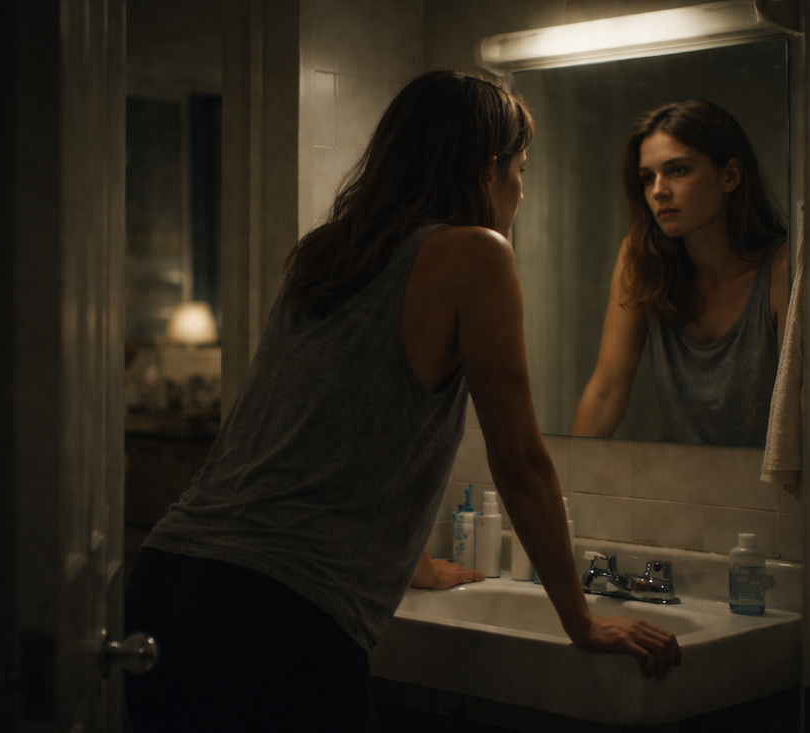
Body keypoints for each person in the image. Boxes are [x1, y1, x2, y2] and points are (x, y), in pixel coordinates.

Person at [123, 70, 681, 733]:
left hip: (168, 575)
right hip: (277, 610)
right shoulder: (475, 253)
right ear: (489, 168)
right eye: (521, 169)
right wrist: (581, 620)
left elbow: (327, 423)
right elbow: (519, 459)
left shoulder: (328, 253)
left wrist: (408, 558)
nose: (521, 189)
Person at [570, 101, 789, 446]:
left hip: (767, 481)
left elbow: (806, 408)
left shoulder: (782, 269)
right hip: (676, 476)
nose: (659, 190)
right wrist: (567, 474)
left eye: (678, 170)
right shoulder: (642, 258)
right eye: (648, 178)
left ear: (730, 176)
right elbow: (607, 390)